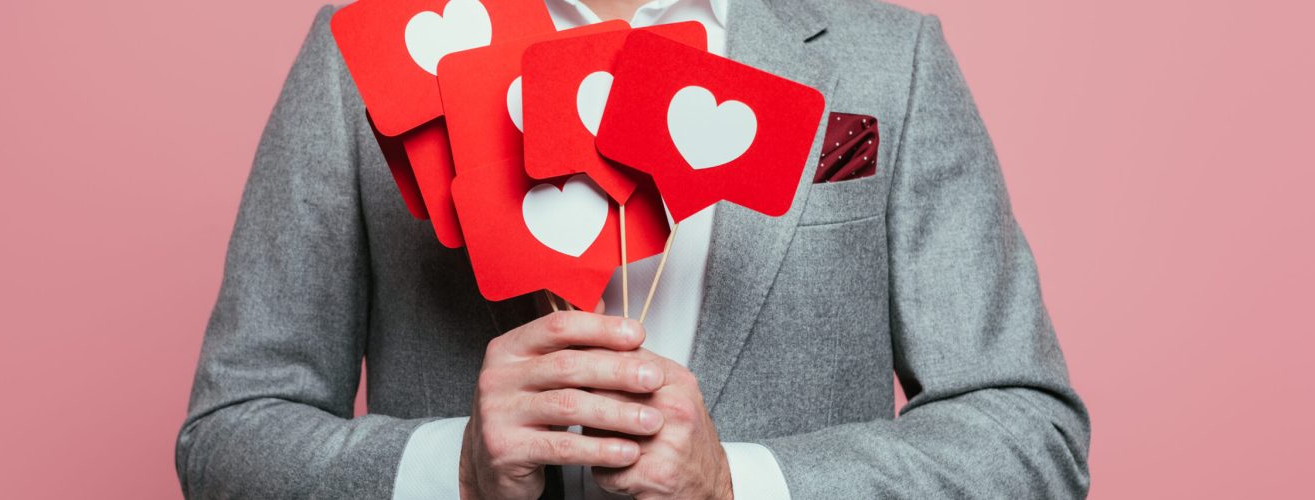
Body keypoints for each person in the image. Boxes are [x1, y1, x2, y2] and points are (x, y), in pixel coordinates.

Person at [174, 0, 1092, 498]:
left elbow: (1031, 439)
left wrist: (745, 485)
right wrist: (449, 470)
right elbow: (229, 438)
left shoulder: (889, 64)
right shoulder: (368, 57)